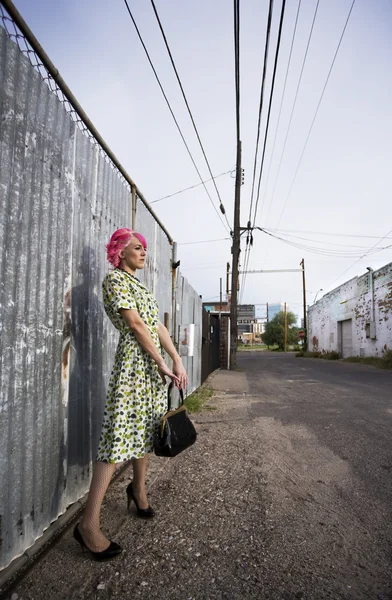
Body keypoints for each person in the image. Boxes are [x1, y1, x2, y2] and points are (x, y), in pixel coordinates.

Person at [73, 227, 188, 560]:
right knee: (116, 439)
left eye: (145, 248)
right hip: (133, 367)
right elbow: (136, 326)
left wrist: (176, 358)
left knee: (147, 431)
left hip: (151, 367)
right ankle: (88, 526)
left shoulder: (141, 286)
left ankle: (138, 489)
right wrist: (161, 363)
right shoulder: (114, 281)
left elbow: (158, 327)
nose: (143, 253)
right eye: (137, 247)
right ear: (120, 252)